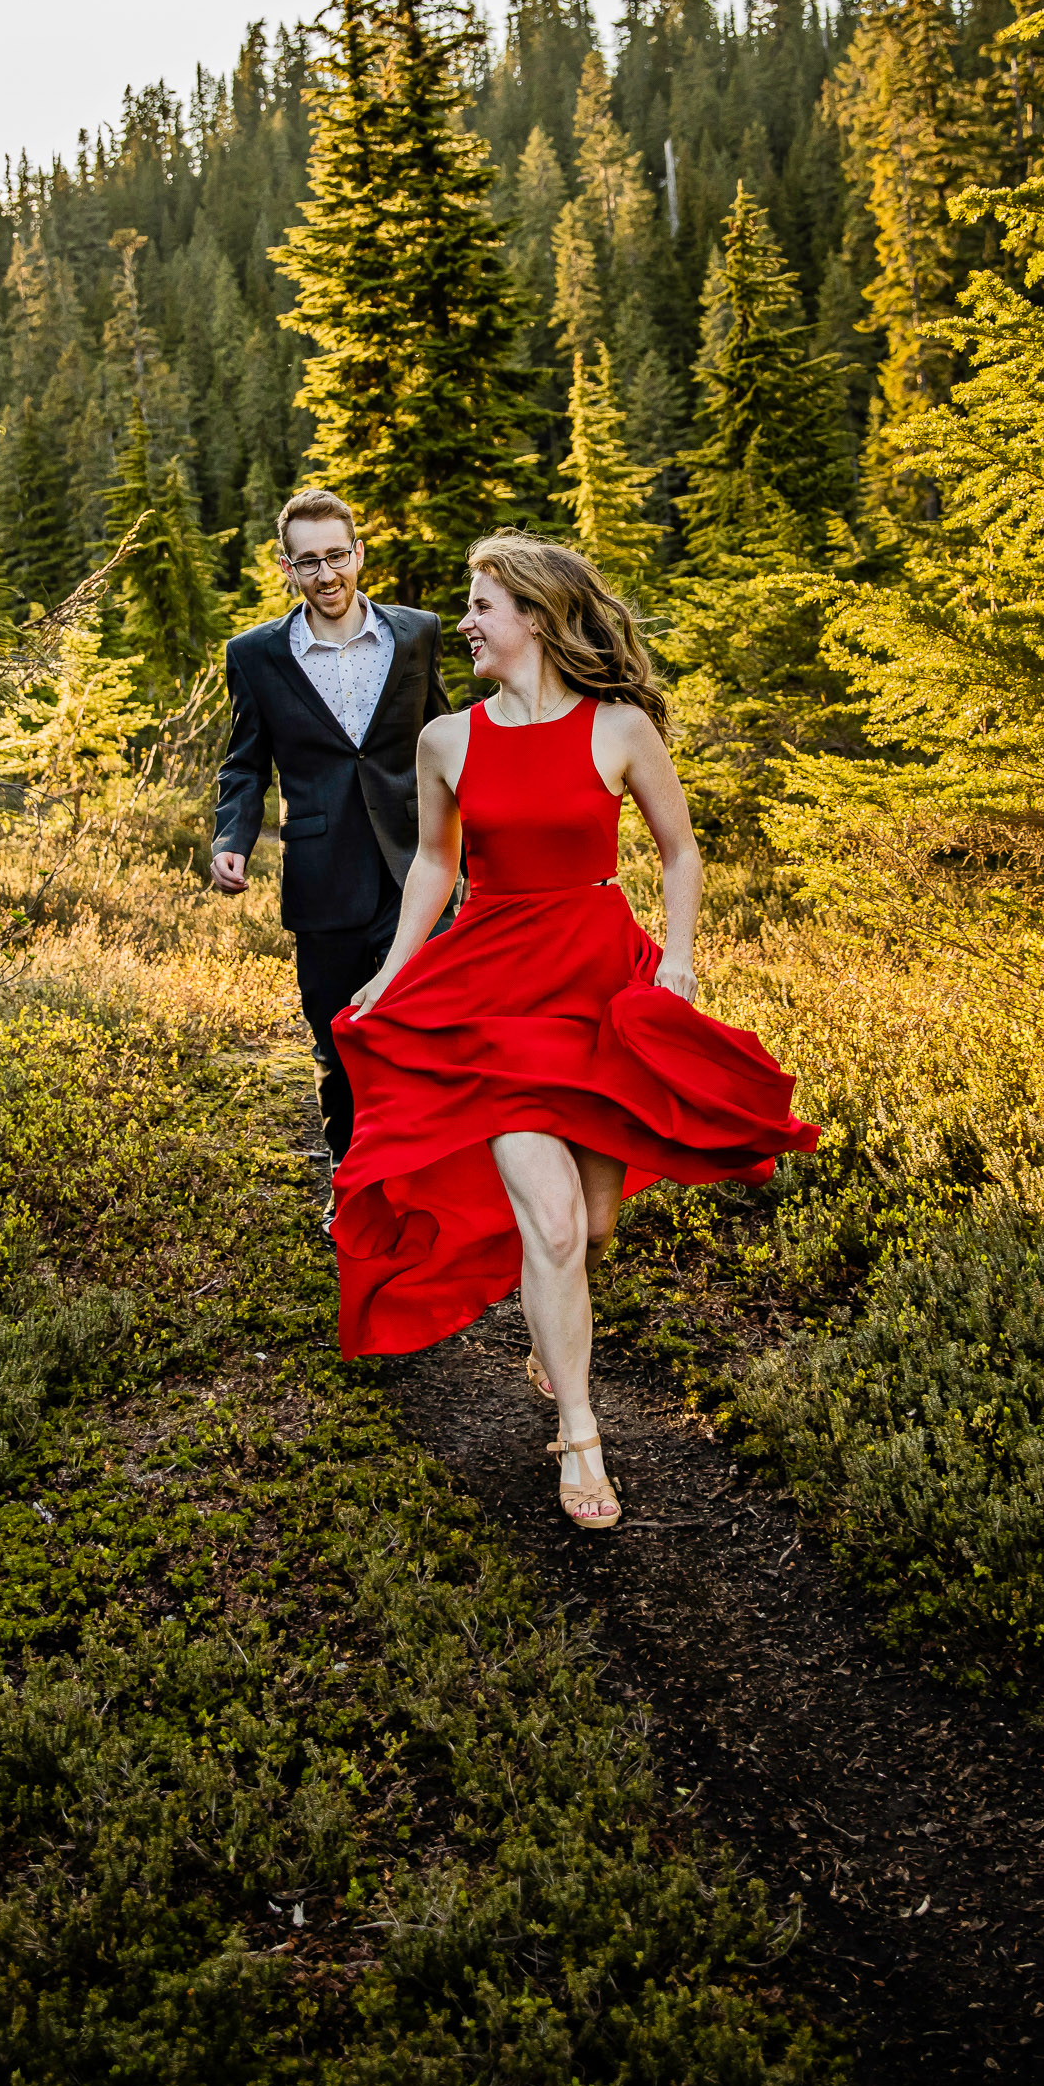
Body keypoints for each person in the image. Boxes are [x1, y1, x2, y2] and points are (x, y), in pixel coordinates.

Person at [333, 532, 819, 1533]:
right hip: (490, 1002)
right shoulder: (447, 741)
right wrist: (392, 969)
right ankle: (580, 1439)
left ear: (535, 620)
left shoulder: (620, 728)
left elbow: (678, 853)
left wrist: (677, 959)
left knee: (588, 1227)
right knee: (549, 1223)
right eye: (467, 609)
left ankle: (549, 1328)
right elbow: (434, 864)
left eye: (480, 608)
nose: (462, 624)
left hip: (596, 989)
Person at [210, 489, 453, 1166]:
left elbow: (448, 738)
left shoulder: (418, 632)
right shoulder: (256, 655)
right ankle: (353, 1185)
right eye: (308, 562)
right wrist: (231, 836)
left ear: (359, 554)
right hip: (323, 880)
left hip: (419, 869)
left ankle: (432, 1179)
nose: (327, 576)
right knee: (340, 1037)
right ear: (286, 567)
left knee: (433, 1029)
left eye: (337, 556)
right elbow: (244, 763)